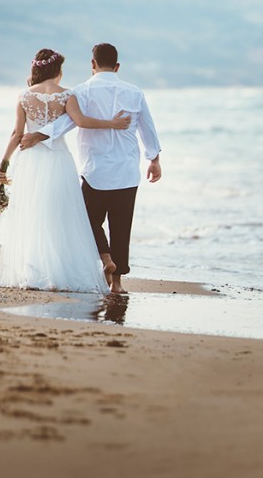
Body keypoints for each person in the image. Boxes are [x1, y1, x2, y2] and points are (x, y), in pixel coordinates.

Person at [20, 43, 162, 295]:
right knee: (122, 226)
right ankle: (117, 284)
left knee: (88, 222)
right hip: (127, 172)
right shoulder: (134, 92)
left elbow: (67, 122)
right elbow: (147, 127)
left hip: (94, 171)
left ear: (92, 64)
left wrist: (38, 136)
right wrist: (154, 159)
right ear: (117, 67)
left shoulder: (82, 91)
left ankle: (105, 258)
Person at [0, 48, 131, 293]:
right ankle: (58, 274)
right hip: (58, 160)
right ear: (57, 70)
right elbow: (82, 122)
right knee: (60, 214)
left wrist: (2, 165)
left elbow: (16, 134)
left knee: (34, 214)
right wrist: (112, 124)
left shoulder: (24, 96)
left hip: (31, 161)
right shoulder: (66, 94)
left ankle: (34, 271)